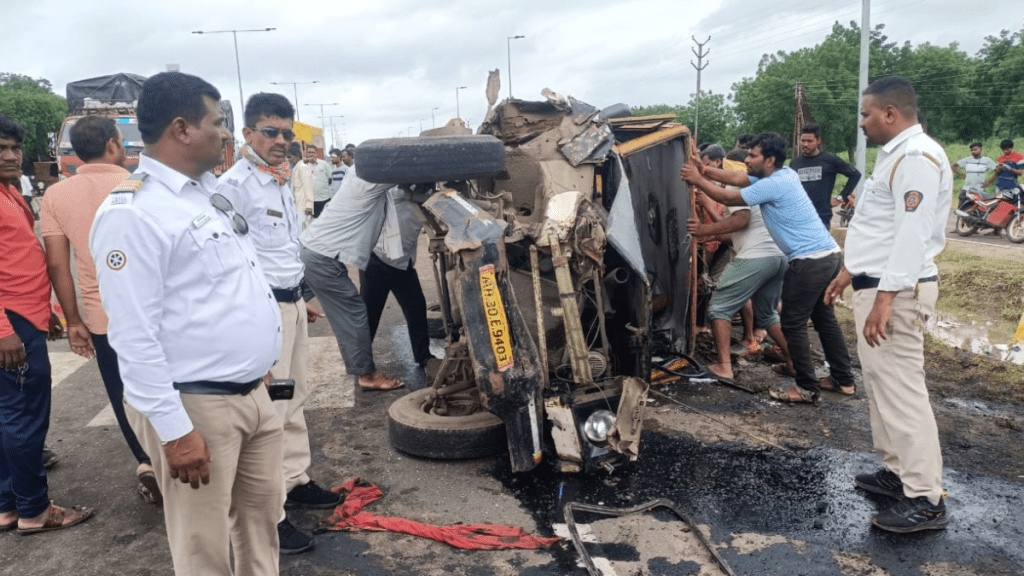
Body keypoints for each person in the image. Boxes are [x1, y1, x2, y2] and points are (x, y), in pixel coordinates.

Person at [90, 72, 284, 575]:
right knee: (203, 548)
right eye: (218, 123)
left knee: (263, 528)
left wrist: (257, 362)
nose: (226, 134)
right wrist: (175, 432)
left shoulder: (206, 193)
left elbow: (233, 284)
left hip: (253, 395)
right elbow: (132, 335)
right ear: (181, 129)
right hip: (197, 405)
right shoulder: (134, 212)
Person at [824, 75, 952, 533]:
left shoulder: (916, 158)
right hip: (876, 282)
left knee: (902, 392)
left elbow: (912, 235)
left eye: (866, 113)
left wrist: (886, 296)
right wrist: (850, 270)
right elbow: (879, 227)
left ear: (890, 113)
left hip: (893, 290)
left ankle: (926, 498)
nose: (862, 122)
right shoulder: (895, 155)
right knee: (882, 386)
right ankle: (897, 471)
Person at [216, 92, 338, 555]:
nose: (281, 140)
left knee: (294, 397)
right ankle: (272, 515)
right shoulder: (234, 187)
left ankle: (295, 480)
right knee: (266, 414)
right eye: (270, 132)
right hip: (261, 313)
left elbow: (283, 248)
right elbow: (229, 263)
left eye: (288, 132)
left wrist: (302, 296)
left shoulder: (280, 179)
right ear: (248, 134)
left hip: (289, 306)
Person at [39, 115, 161, 505]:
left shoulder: (57, 195)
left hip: (103, 317)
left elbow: (58, 263)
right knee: (171, 385)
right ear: (113, 145)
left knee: (124, 392)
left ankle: (146, 461)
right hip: (157, 313)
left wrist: (73, 320)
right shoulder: (142, 183)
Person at [681, 132, 855, 404]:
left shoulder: (773, 184)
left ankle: (806, 387)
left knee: (794, 323)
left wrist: (698, 180)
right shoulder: (782, 176)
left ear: (770, 159)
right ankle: (843, 380)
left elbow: (729, 199)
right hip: (828, 255)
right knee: (824, 319)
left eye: (753, 156)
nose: (747, 160)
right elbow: (737, 179)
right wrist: (704, 170)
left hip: (809, 261)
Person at [0, 114, 93, 535]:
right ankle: (36, 510)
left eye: (14, 148)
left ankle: (7, 506)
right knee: (24, 419)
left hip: (25, 316)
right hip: (10, 324)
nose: (11, 156)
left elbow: (21, 259)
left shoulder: (9, 192)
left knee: (8, 417)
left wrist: (49, 314)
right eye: (1, 148)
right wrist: (3, 329)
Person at [299, 167, 404, 392]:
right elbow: (404, 173)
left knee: (284, 305)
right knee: (353, 312)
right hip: (322, 257)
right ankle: (366, 374)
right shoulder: (367, 180)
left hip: (314, 250)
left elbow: (403, 191)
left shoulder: (360, 176)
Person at [686, 187, 791, 383]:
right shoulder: (764, 193)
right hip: (778, 256)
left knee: (718, 308)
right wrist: (713, 233)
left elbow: (737, 223)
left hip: (754, 257)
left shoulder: (737, 190)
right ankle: (794, 361)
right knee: (767, 314)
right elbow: (733, 235)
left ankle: (724, 368)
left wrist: (704, 224)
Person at [359, 186, 433, 366]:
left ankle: (423, 356)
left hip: (403, 261)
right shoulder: (395, 189)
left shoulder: (426, 190)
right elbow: (412, 195)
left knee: (416, 307)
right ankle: (360, 364)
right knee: (369, 314)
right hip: (378, 259)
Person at [789, 123, 861, 230]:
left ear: (818, 141)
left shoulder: (829, 160)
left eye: (809, 141)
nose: (805, 144)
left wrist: (841, 197)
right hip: (798, 218)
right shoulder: (795, 163)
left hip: (821, 218)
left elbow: (855, 174)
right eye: (803, 141)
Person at [302, 145, 333, 217]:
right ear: (307, 154)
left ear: (316, 153)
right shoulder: (304, 166)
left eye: (313, 152)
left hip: (324, 199)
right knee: (312, 221)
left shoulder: (324, 164)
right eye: (309, 152)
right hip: (310, 201)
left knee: (325, 220)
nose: (311, 154)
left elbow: (331, 178)